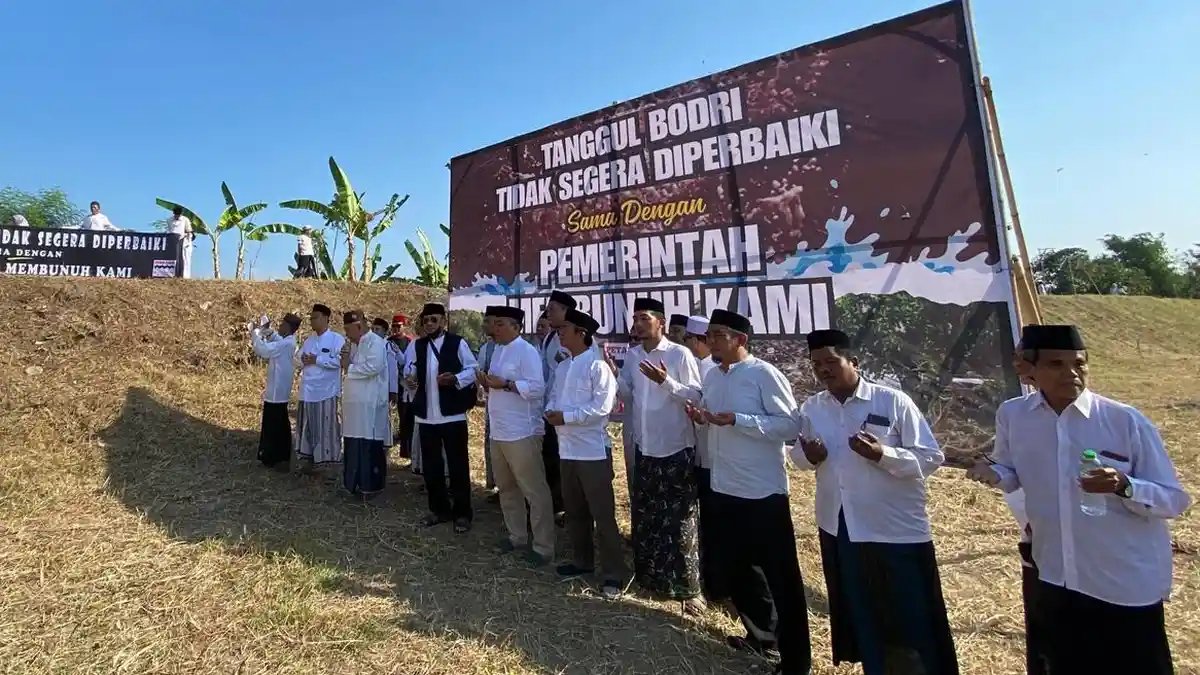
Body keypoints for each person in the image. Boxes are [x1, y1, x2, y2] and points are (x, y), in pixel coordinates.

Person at [967, 324, 1190, 675]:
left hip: (1122, 583)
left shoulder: (1124, 421)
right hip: (1057, 576)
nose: (1071, 373)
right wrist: (993, 474)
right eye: (1056, 364)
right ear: (1031, 369)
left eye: (1079, 364)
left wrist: (1125, 485)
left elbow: (1175, 500)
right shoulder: (1014, 415)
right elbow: (1011, 470)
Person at [792, 328, 957, 675]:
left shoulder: (891, 401)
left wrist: (884, 454)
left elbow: (930, 457)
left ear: (854, 361)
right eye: (816, 364)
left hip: (893, 530)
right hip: (841, 527)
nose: (824, 369)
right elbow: (799, 459)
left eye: (831, 361)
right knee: (864, 614)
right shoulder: (812, 407)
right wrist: (812, 456)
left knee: (909, 620)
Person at [682, 309, 811, 675]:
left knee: (781, 578)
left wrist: (739, 420)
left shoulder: (763, 374)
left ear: (741, 339)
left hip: (761, 493)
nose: (711, 341)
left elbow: (789, 426)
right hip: (723, 487)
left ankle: (796, 661)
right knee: (739, 571)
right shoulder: (713, 375)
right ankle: (761, 636)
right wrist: (704, 417)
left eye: (718, 335)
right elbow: (715, 416)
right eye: (709, 335)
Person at [620, 297, 703, 612]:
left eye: (644, 318)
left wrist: (665, 382)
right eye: (635, 318)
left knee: (680, 521)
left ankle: (687, 589)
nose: (638, 324)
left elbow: (696, 395)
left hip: (675, 447)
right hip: (645, 447)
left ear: (661, 323)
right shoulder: (632, 355)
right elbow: (627, 390)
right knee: (647, 517)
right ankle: (651, 579)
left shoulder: (679, 354)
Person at [546, 308, 624, 598]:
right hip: (566, 449)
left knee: (602, 515)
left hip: (592, 451)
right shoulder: (565, 366)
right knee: (575, 511)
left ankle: (613, 574)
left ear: (581, 333)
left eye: (564, 329)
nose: (559, 333)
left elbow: (602, 409)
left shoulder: (598, 366)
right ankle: (583, 562)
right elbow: (553, 398)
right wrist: (551, 412)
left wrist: (566, 417)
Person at [479, 305, 553, 565]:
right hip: (499, 431)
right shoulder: (498, 350)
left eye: (500, 324)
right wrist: (487, 382)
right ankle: (517, 537)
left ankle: (543, 546)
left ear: (516, 327)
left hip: (523, 432)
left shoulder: (527, 351)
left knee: (534, 490)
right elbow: (497, 384)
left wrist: (507, 385)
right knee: (507, 489)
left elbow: (537, 389)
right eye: (494, 324)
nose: (494, 328)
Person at [404, 303, 479, 533]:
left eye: (434, 320)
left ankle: (463, 514)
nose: (429, 324)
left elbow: (473, 369)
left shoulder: (457, 343)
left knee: (458, 466)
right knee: (432, 467)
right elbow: (407, 371)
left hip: (452, 415)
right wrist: (409, 380)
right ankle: (439, 510)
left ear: (443, 322)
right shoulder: (416, 345)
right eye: (426, 320)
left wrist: (455, 379)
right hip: (426, 417)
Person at [340, 311, 390, 499]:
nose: (346, 334)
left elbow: (373, 367)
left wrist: (348, 367)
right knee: (353, 442)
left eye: (348, 329)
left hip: (369, 403)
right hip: (354, 405)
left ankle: (370, 486)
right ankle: (353, 484)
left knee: (368, 444)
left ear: (359, 326)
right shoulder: (354, 345)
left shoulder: (375, 342)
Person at [539, 290, 576, 522]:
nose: (548, 313)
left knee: (569, 462)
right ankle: (556, 504)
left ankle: (570, 508)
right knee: (552, 458)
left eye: (552, 309)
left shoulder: (578, 336)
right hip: (550, 411)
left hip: (571, 414)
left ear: (565, 312)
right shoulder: (550, 338)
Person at [294, 304, 346, 471]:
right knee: (308, 426)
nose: (312, 321)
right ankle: (309, 460)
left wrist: (318, 360)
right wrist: (303, 359)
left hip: (327, 391)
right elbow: (297, 359)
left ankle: (328, 462)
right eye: (311, 318)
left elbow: (340, 362)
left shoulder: (336, 339)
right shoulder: (309, 340)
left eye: (315, 317)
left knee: (326, 428)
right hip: (308, 391)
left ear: (325, 319)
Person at [250, 313, 301, 471]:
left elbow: (264, 350)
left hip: (277, 389)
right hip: (278, 388)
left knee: (274, 423)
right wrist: (268, 332)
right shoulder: (287, 341)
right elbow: (275, 339)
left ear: (288, 328)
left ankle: (273, 456)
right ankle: (280, 455)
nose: (279, 327)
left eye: (282, 325)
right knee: (279, 422)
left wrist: (255, 333)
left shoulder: (286, 344)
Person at [478, 311, 500, 497]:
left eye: (488, 321)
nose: (484, 325)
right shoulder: (486, 347)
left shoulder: (517, 348)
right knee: (490, 440)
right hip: (490, 400)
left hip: (508, 406)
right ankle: (495, 483)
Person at [371, 318, 398, 453]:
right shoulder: (367, 344)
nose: (374, 332)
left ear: (385, 332)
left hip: (383, 388)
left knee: (382, 418)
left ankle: (383, 447)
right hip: (369, 389)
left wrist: (393, 390)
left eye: (378, 329)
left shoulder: (387, 346)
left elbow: (393, 370)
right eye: (373, 329)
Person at [387, 314, 411, 456]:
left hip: (405, 383)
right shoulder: (387, 342)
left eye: (398, 326)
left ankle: (406, 450)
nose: (396, 329)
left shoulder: (410, 342)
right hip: (390, 382)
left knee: (406, 416)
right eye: (394, 326)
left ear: (404, 326)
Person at [167, 207, 195, 279]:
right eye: (176, 214)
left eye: (178, 214)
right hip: (172, 242)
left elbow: (189, 231)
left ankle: (184, 276)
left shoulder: (185, 220)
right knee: (173, 258)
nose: (177, 216)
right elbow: (170, 230)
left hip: (183, 241)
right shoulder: (169, 220)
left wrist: (188, 241)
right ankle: (173, 274)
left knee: (184, 259)